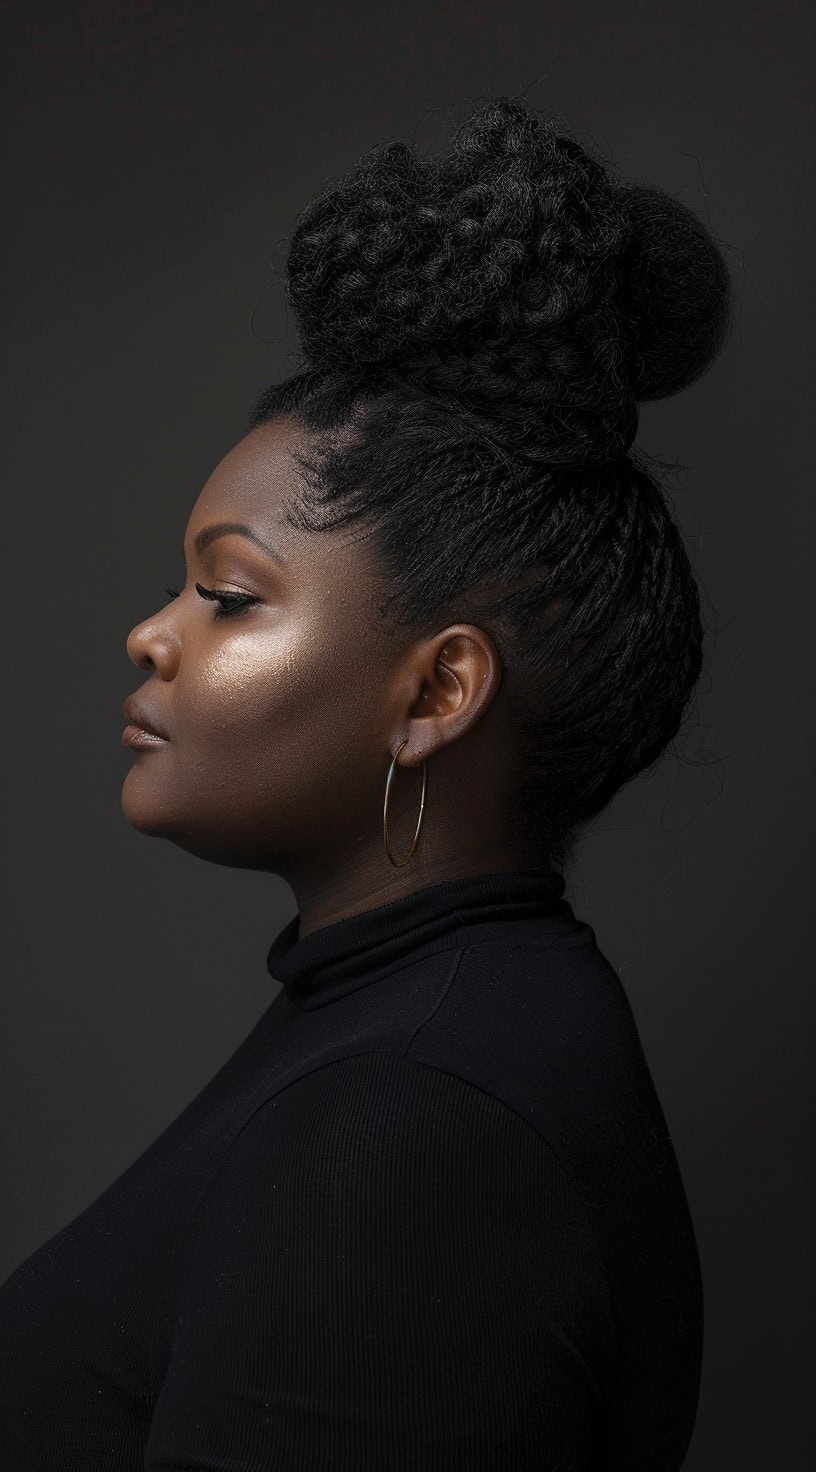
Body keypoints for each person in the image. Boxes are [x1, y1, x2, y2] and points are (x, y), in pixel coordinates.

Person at [0, 94, 733, 1469]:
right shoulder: (413, 1028)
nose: (152, 632)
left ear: (439, 694)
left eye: (227, 594)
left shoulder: (414, 1132)